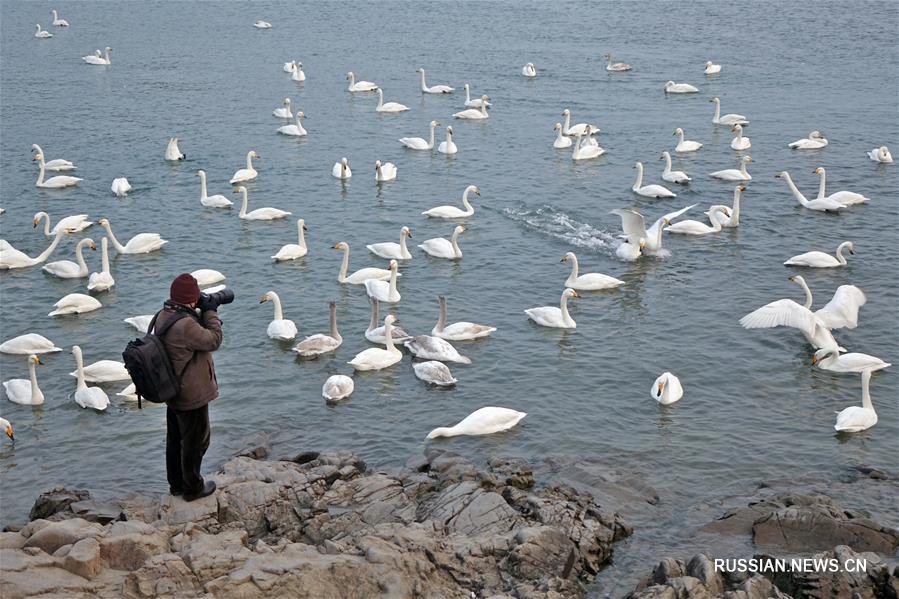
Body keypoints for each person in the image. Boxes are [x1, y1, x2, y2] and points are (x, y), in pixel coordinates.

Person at [151, 273, 223, 502]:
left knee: (175, 439)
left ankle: (176, 485)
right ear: (191, 300)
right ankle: (193, 488)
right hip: (191, 394)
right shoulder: (185, 325)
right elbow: (214, 340)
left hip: (173, 391)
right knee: (196, 441)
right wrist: (211, 311)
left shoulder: (164, 315)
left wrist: (198, 311)